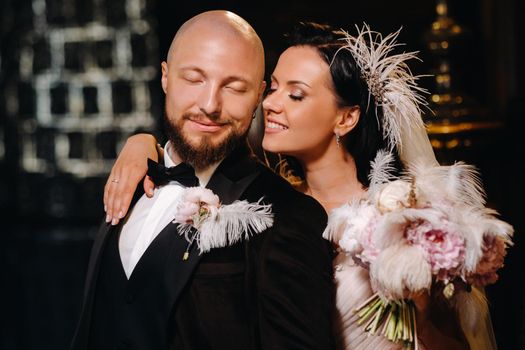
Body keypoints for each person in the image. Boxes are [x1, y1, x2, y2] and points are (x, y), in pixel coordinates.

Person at [105, 22, 497, 350]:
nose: (272, 104)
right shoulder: (263, 202)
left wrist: (421, 307)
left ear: (346, 119)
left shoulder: (402, 218)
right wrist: (143, 143)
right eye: (272, 88)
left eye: (295, 94)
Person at [71, 11, 334, 350]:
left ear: (259, 95)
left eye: (235, 87)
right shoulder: (129, 178)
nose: (210, 105)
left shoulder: (290, 218)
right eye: (194, 80)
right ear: (165, 77)